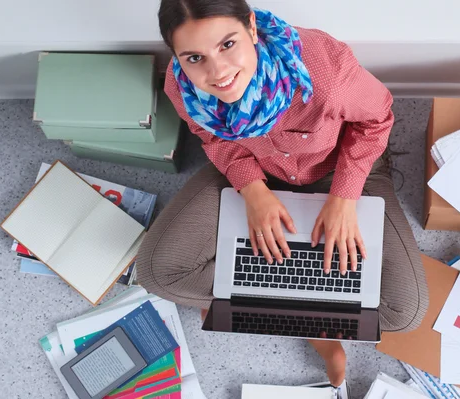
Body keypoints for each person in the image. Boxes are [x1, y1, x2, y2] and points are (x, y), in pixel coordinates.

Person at [136, 0, 429, 394]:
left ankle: (251, 301)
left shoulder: (326, 72)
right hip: (253, 171)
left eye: (227, 44)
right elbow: (212, 139)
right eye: (194, 57)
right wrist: (252, 190)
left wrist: (344, 198)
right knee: (158, 273)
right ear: (177, 57)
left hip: (339, 172)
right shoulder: (181, 86)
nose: (218, 72)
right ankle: (300, 315)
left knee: (405, 311)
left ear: (252, 29)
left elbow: (378, 119)